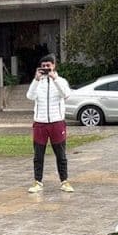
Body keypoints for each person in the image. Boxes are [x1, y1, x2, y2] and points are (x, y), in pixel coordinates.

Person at [26, 54, 74, 194]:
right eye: (44, 66)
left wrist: (55, 79)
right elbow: (29, 96)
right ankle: (38, 181)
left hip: (57, 122)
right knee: (38, 155)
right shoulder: (38, 82)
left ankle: (64, 181)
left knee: (61, 154)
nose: (46, 68)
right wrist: (36, 80)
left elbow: (66, 94)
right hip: (40, 123)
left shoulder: (61, 81)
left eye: (49, 66)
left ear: (54, 66)